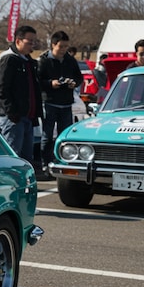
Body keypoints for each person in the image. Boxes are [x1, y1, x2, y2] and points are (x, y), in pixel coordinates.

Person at [0, 25, 43, 171]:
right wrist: (12, 113)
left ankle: (23, 186)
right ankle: (10, 184)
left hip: (27, 117)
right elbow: (2, 89)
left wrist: (35, 114)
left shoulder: (29, 62)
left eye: (34, 41)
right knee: (13, 157)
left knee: (26, 158)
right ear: (18, 41)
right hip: (14, 118)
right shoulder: (9, 59)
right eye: (29, 41)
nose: (32, 45)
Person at [38, 31, 82, 179]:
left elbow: (79, 77)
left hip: (66, 103)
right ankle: (46, 163)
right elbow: (38, 81)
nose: (63, 50)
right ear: (53, 45)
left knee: (65, 137)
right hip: (49, 102)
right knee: (47, 136)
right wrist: (51, 83)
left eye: (66, 47)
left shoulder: (70, 60)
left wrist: (73, 83)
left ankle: (64, 162)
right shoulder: (44, 60)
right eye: (60, 46)